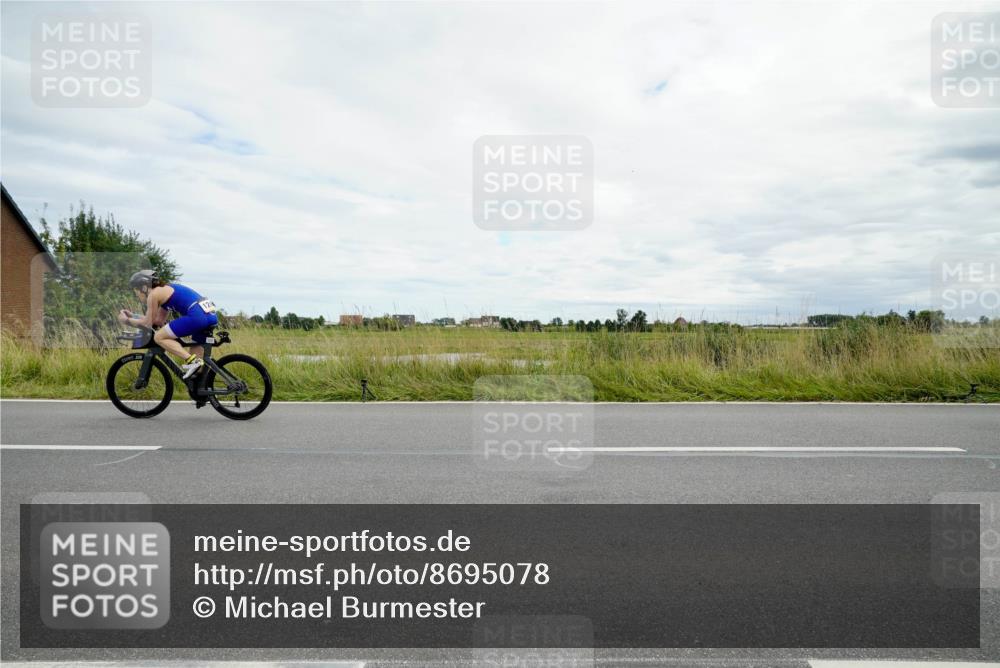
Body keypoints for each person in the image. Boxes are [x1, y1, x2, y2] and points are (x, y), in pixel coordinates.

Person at [118, 270, 219, 379]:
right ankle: (202, 390)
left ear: (144, 287)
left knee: (159, 337)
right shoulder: (165, 290)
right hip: (209, 316)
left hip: (197, 317)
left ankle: (193, 361)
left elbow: (147, 323)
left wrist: (126, 321)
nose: (136, 294)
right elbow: (158, 321)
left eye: (136, 290)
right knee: (198, 369)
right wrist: (133, 316)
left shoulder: (153, 294)